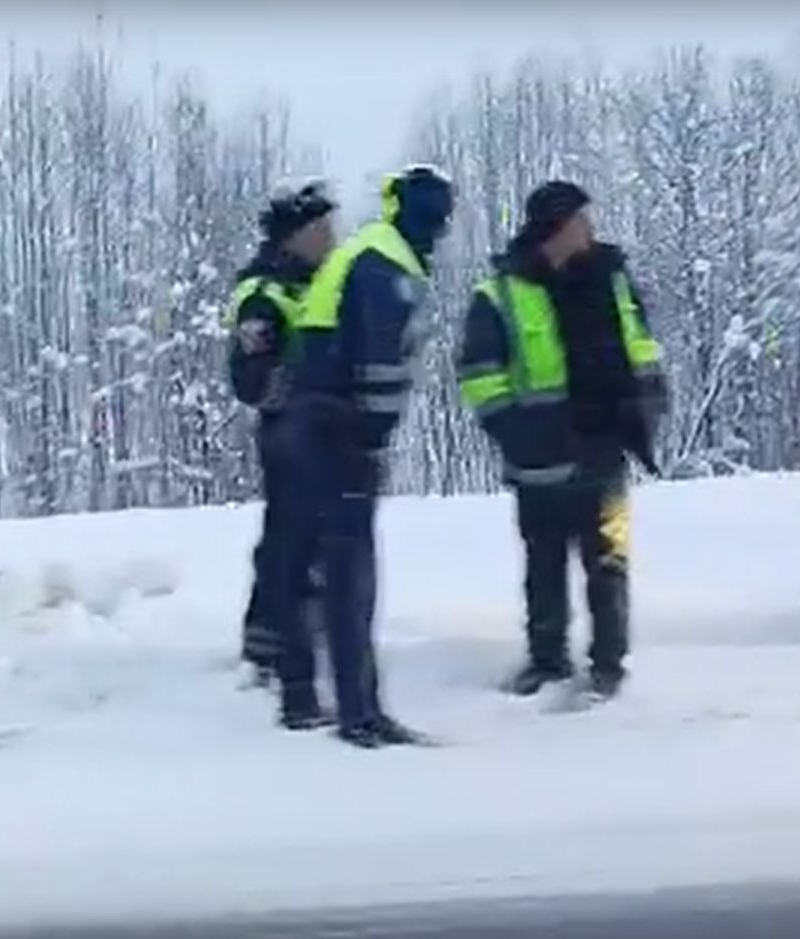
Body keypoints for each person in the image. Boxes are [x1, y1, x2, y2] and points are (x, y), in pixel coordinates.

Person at [456, 180, 669, 703]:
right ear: (554, 227)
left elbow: (641, 345)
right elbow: (481, 377)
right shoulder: (500, 294)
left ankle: (609, 665)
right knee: (543, 561)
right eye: (580, 220)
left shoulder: (612, 279)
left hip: (607, 447)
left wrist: (647, 404)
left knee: (610, 559)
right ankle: (547, 659)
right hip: (540, 455)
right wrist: (518, 433)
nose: (590, 229)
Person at [266, 164, 455, 747]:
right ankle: (357, 713)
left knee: (327, 566)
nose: (441, 230)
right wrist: (371, 433)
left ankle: (342, 702)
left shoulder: (377, 251)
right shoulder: (385, 263)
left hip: (323, 424)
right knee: (348, 574)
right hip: (336, 430)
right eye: (436, 217)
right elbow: (377, 362)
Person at [226, 179, 338, 686]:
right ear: (294, 236)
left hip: (324, 433)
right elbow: (252, 377)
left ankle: (303, 630)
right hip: (289, 435)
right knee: (288, 537)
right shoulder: (264, 294)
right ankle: (267, 643)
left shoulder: (320, 283)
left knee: (317, 537)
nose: (330, 238)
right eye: (321, 230)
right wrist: (299, 395)